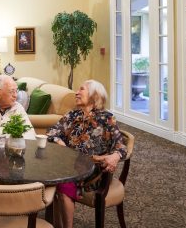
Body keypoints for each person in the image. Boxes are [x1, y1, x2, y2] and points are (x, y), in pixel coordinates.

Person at [46, 79, 127, 228]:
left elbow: (121, 147)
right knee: (48, 174)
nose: (76, 92)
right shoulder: (72, 114)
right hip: (68, 164)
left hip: (92, 170)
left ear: (94, 95)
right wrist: (60, 143)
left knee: (62, 180)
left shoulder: (106, 118)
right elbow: (52, 132)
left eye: (81, 89)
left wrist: (114, 157)